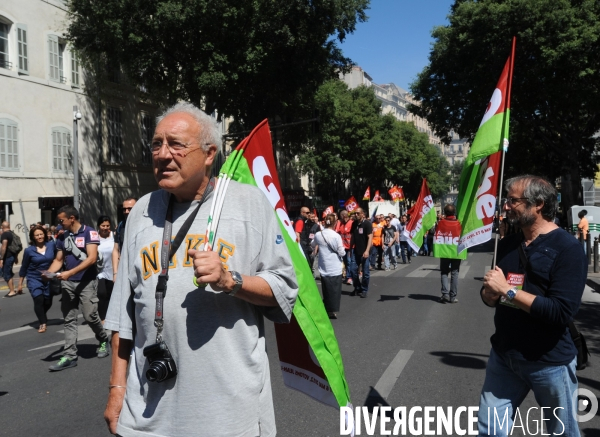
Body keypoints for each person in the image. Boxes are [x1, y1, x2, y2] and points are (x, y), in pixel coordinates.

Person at [102, 102, 298, 437]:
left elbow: (284, 291)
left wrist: (230, 280)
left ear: (209, 154)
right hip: (148, 413)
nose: (163, 154)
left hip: (227, 415)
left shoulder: (250, 204)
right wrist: (116, 390)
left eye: (176, 145)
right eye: (156, 144)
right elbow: (124, 318)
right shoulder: (140, 212)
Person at [478, 175, 586, 436]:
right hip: (504, 357)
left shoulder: (568, 249)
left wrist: (508, 290)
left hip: (548, 363)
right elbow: (489, 295)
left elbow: (561, 311)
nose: (506, 206)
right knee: (490, 430)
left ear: (538, 204)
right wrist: (490, 294)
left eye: (513, 200)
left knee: (563, 432)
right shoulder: (506, 245)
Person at [43, 205, 110, 371]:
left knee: (90, 316)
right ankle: (69, 356)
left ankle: (103, 339)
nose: (59, 224)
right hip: (68, 284)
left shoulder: (89, 232)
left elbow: (92, 258)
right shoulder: (62, 236)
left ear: (71, 218)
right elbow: (59, 260)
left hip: (87, 282)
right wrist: (49, 273)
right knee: (69, 319)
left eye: (61, 220)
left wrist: (70, 272)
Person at [17, 225, 57, 332]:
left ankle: (42, 315)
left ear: (44, 234)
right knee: (38, 300)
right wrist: (20, 284)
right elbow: (24, 267)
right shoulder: (29, 251)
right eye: (37, 235)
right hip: (34, 278)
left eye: (41, 234)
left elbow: (58, 260)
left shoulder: (52, 246)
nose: (39, 237)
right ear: (33, 237)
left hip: (48, 277)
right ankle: (42, 323)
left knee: (48, 302)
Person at [312, 213, 345, 319]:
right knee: (335, 289)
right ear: (335, 223)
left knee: (326, 288)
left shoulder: (318, 234)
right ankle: (332, 310)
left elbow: (312, 244)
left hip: (323, 264)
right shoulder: (336, 236)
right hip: (334, 265)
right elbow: (341, 252)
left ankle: (326, 307)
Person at [433, 204, 466, 304]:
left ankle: (445, 294)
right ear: (454, 212)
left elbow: (436, 233)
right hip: (457, 252)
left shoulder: (441, 223)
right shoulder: (459, 223)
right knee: (455, 273)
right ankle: (453, 296)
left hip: (444, 251)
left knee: (444, 272)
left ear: (445, 212)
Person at [112, 198, 137, 282]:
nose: (126, 211)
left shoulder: (145, 224)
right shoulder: (121, 225)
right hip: (125, 270)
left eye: (130, 209)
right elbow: (116, 250)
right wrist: (115, 273)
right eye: (124, 209)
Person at [349, 208, 373, 298]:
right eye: (355, 213)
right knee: (352, 270)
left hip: (365, 252)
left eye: (358, 213)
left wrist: (367, 251)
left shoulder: (367, 224)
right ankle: (357, 287)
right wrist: (350, 249)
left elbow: (370, 237)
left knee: (365, 273)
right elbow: (352, 237)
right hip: (355, 251)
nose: (356, 215)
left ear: (363, 214)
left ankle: (364, 289)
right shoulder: (354, 223)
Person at [97, 215, 116, 322]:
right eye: (103, 225)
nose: (105, 228)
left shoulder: (114, 236)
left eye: (107, 225)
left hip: (112, 269)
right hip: (99, 270)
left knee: (110, 293)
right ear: (99, 226)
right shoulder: (94, 236)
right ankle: (102, 317)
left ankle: (109, 314)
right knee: (101, 293)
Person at [1, 221, 21, 298]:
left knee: (6, 274)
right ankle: (12, 289)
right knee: (9, 272)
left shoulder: (5, 235)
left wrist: (1, 258)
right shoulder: (12, 234)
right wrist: (15, 257)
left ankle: (12, 291)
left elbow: (4, 246)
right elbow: (15, 246)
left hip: (7, 257)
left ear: (2, 227)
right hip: (12, 256)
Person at [335, 210, 355, 285]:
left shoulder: (351, 223)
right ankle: (348, 276)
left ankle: (350, 277)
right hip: (343, 247)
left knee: (350, 262)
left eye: (341, 216)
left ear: (344, 216)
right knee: (346, 262)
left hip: (350, 246)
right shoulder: (340, 223)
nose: (340, 218)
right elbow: (337, 232)